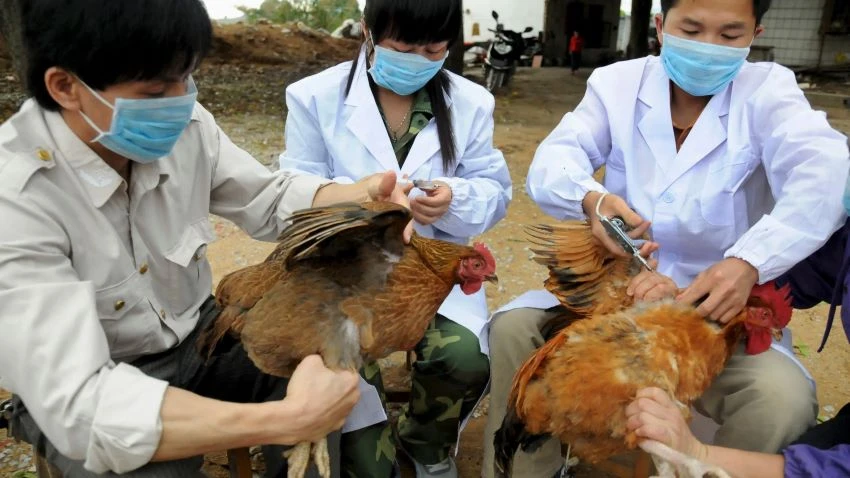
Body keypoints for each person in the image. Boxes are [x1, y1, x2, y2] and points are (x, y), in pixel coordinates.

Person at [0, 1, 414, 476]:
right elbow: (80, 402)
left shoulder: (187, 125)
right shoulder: (16, 199)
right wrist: (279, 420)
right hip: (100, 379)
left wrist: (359, 197)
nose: (181, 101)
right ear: (66, 86)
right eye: (156, 90)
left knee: (325, 369)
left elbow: (267, 197)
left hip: (198, 337)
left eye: (187, 78)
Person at [482, 0, 850, 476]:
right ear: (660, 26)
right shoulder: (617, 85)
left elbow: (825, 174)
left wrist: (749, 261)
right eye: (691, 29)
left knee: (781, 398)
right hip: (616, 292)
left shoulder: (770, 93)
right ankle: (525, 469)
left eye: (730, 34)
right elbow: (555, 159)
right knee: (516, 331)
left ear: (755, 33)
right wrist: (591, 200)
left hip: (714, 314)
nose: (707, 47)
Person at [278, 1, 512, 476]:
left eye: (433, 49)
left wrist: (454, 198)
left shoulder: (470, 103)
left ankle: (425, 443)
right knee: (363, 443)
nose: (418, 60)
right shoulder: (313, 97)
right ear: (367, 31)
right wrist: (367, 210)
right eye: (404, 47)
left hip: (427, 275)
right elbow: (294, 192)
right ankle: (373, 444)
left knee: (463, 357)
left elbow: (495, 191)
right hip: (344, 274)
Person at [626, 213, 850, 478]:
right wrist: (744, 276)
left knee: (782, 403)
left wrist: (699, 455)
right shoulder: (844, 240)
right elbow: (810, 269)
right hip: (635, 285)